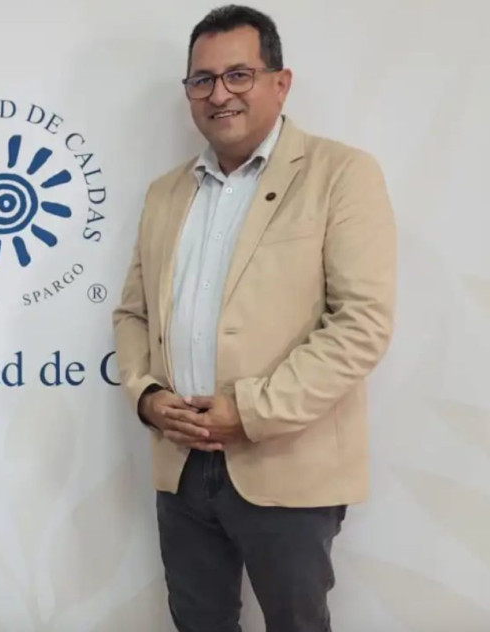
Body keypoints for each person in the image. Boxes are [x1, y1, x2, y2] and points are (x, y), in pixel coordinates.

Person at [112, 5, 396, 631]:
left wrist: (253, 410)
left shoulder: (340, 175)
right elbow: (133, 314)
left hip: (288, 464)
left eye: (239, 75)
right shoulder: (165, 193)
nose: (220, 94)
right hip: (181, 464)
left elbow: (362, 323)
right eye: (202, 80)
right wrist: (146, 395)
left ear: (280, 82)